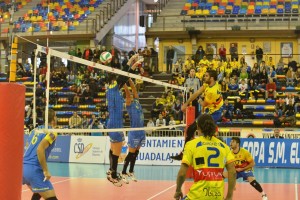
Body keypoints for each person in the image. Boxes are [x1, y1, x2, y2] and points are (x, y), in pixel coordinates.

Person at [174, 114, 236, 200]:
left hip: (197, 196)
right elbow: (232, 172)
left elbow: (182, 174)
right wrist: (229, 197)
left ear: (198, 127)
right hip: (217, 196)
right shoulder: (224, 147)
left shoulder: (191, 144)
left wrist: (178, 190)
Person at [106, 54, 143, 187]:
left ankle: (111, 171)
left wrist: (132, 61)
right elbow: (126, 75)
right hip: (115, 123)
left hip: (113, 121)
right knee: (116, 150)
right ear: (114, 80)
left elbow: (125, 74)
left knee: (114, 148)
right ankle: (113, 174)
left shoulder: (111, 90)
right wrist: (134, 62)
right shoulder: (114, 88)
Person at [171, 70, 223, 160]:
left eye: (206, 76)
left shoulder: (212, 91)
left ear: (212, 78)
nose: (204, 77)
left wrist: (199, 100)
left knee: (205, 132)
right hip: (209, 111)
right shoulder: (209, 84)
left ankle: (215, 152)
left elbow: (203, 104)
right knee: (191, 129)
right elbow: (196, 93)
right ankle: (184, 153)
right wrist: (186, 103)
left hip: (215, 113)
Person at [23, 109, 59, 200]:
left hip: (23, 168)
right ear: (53, 118)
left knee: (39, 192)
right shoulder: (52, 132)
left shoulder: (34, 130)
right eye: (56, 116)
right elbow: (40, 149)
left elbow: (27, 146)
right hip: (33, 169)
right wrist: (46, 170)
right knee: (51, 198)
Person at [120, 78, 145, 183]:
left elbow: (134, 90)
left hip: (141, 132)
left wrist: (129, 79)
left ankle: (131, 171)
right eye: (128, 97)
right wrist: (124, 84)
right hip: (134, 132)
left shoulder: (137, 102)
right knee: (131, 154)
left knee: (136, 153)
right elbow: (128, 93)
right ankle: (123, 172)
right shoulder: (129, 104)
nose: (130, 97)